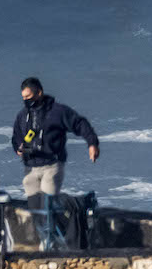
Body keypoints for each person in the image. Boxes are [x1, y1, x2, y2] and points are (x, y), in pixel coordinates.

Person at [11, 78, 100, 250]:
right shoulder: (22, 116)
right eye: (23, 98)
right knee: (35, 209)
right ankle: (49, 236)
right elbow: (15, 138)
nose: (26, 100)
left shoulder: (57, 112)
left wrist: (92, 143)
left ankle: (52, 242)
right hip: (30, 168)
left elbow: (79, 123)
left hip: (52, 165)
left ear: (39, 93)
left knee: (47, 204)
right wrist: (18, 148)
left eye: (29, 96)